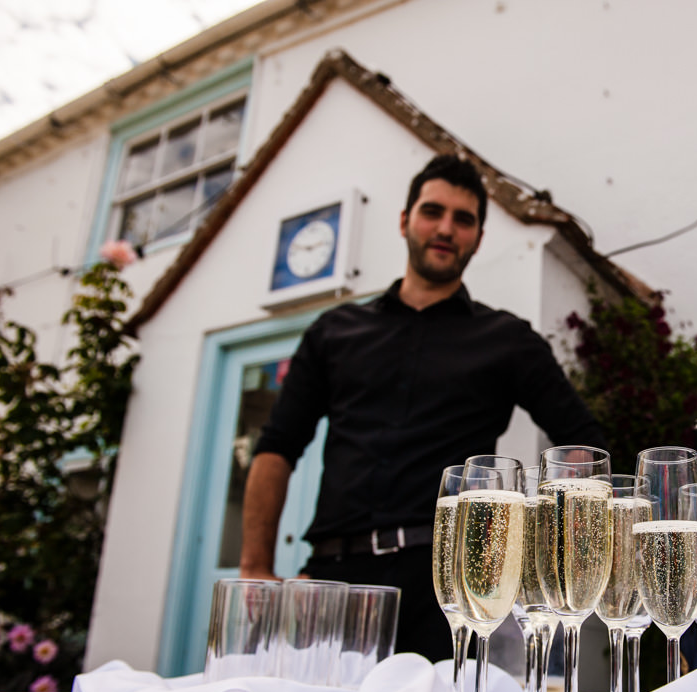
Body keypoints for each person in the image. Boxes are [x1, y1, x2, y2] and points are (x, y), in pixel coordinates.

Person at [240, 154, 608, 662]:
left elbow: (584, 446)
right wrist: (255, 568)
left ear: (477, 237)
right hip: (334, 579)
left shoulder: (508, 341)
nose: (445, 228)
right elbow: (277, 447)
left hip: (449, 590)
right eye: (432, 211)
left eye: (464, 219)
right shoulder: (333, 331)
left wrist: (549, 560)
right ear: (404, 220)